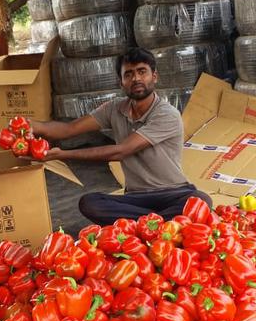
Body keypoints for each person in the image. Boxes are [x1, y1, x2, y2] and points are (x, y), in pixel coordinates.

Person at [30, 47, 213, 225]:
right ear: (121, 82)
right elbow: (69, 129)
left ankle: (145, 223)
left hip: (173, 193)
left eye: (142, 72)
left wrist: (64, 155)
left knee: (201, 200)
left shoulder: (167, 114)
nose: (136, 79)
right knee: (90, 203)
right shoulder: (114, 108)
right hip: (135, 197)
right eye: (129, 74)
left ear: (154, 77)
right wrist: (31, 125)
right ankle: (161, 223)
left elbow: (121, 151)